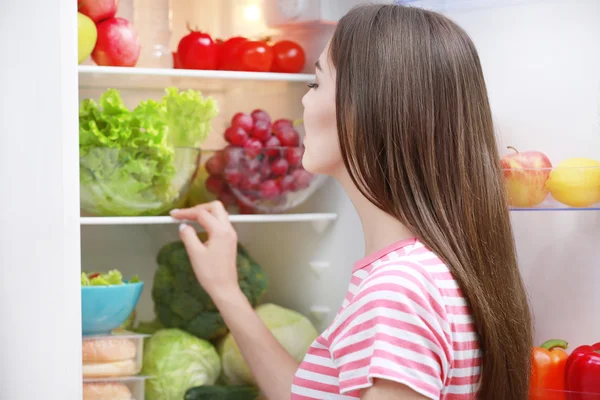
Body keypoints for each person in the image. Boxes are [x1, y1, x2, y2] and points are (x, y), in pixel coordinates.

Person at [170, 4, 532, 400]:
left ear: (368, 106)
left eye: (316, 83)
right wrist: (225, 290)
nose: (304, 103)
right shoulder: (424, 271)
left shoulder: (397, 292)